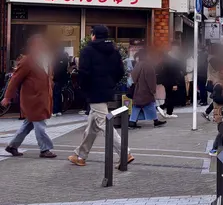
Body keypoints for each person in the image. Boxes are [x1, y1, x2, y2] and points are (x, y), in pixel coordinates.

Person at [70, 25, 134, 167]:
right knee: (92, 126)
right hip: (107, 90)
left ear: (94, 35)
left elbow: (84, 73)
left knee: (104, 124)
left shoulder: (88, 50)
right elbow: (120, 71)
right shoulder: (114, 51)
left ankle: (125, 153)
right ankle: (80, 155)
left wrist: (83, 87)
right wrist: (111, 83)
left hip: (94, 92)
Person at [1, 35, 57, 158]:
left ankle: (12, 146)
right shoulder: (27, 61)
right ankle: (45, 149)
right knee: (40, 125)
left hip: (43, 98)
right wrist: (7, 97)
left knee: (28, 124)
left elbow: (48, 77)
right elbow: (15, 79)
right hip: (32, 100)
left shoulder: (47, 59)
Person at [129, 50, 166, 129]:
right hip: (146, 90)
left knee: (137, 106)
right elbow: (151, 80)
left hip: (138, 90)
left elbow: (133, 77)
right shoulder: (148, 66)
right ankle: (156, 121)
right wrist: (153, 90)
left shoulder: (137, 65)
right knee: (150, 104)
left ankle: (132, 122)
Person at [160, 43, 186, 118]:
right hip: (171, 81)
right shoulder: (170, 60)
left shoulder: (167, 59)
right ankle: (167, 111)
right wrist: (174, 83)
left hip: (168, 80)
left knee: (169, 96)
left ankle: (166, 109)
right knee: (170, 96)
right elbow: (172, 72)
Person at [52, 48, 70, 117]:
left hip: (56, 78)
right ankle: (59, 110)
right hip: (62, 78)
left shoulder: (55, 58)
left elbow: (54, 68)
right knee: (59, 94)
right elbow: (66, 68)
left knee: (56, 94)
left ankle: (55, 111)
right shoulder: (65, 58)